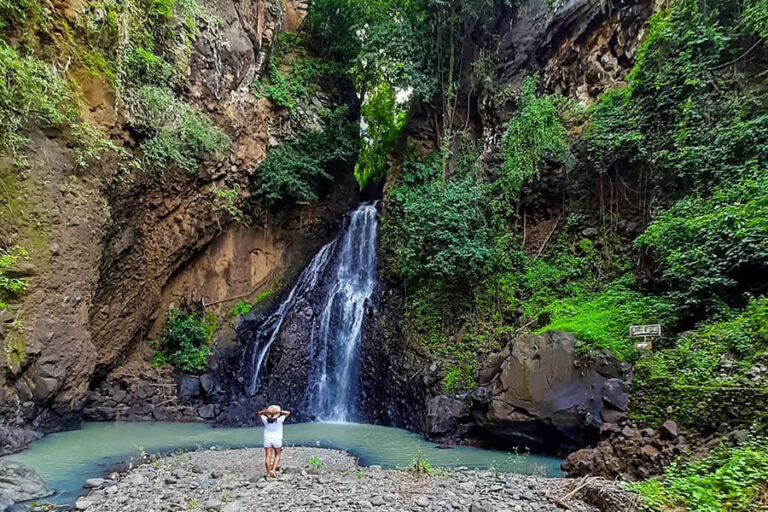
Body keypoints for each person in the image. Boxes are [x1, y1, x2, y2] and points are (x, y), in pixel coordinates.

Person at [257, 405, 291, 477]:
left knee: (268, 456)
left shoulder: (265, 419)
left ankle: (268, 472)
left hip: (267, 439)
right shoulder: (280, 420)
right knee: (277, 455)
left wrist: (266, 411)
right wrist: (278, 411)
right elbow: (288, 413)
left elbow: (259, 413)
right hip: (277, 439)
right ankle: (273, 470)